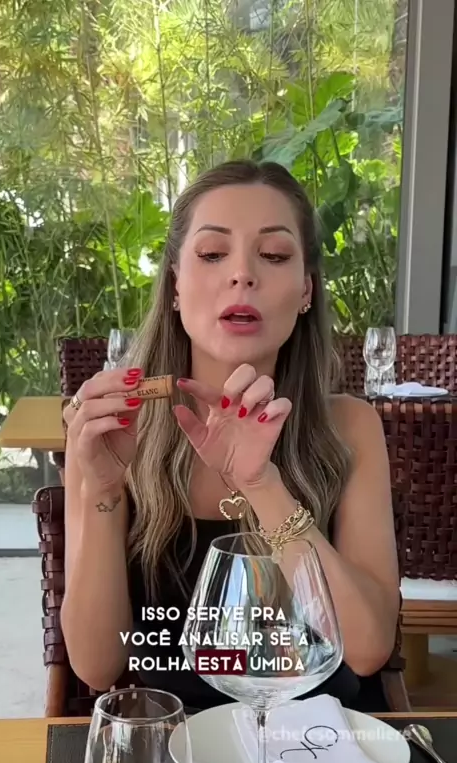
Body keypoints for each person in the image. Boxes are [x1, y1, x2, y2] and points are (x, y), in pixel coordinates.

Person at [61, 159, 400, 712]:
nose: (242, 274)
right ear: (175, 283)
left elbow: (367, 651)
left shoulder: (349, 427)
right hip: (172, 741)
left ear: (306, 290)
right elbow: (97, 666)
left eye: (274, 255)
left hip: (315, 740)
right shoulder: (111, 432)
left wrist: (263, 485)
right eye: (213, 254)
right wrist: (102, 491)